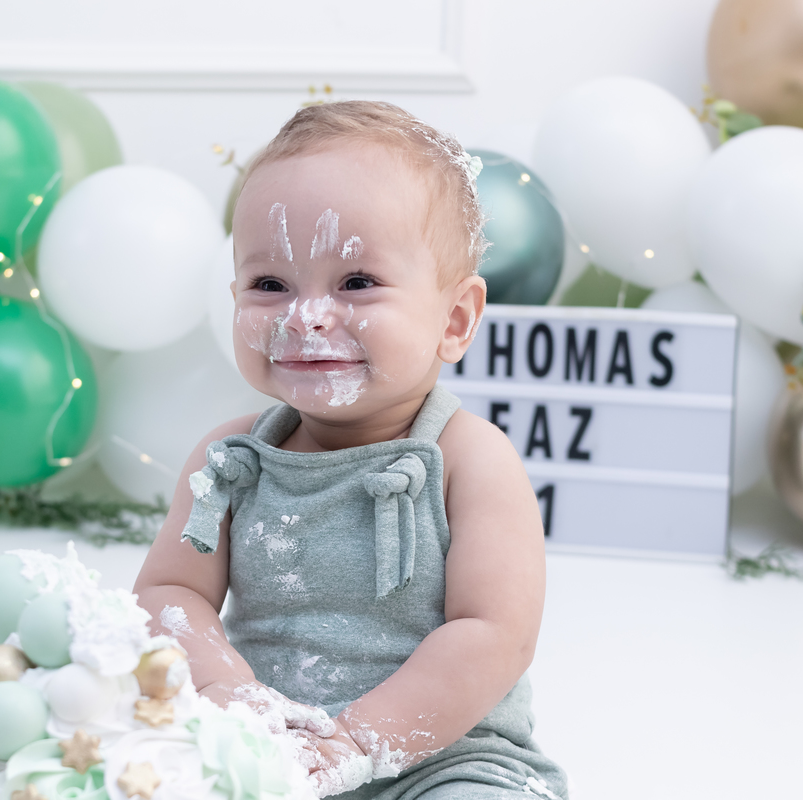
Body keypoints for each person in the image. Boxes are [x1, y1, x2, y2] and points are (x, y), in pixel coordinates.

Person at [133, 100, 565, 800]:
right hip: (264, 754)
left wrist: (359, 740)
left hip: (442, 756)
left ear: (454, 321)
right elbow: (168, 591)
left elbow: (494, 633)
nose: (306, 316)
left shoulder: (469, 461)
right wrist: (223, 691)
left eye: (357, 283)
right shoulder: (232, 459)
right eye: (270, 285)